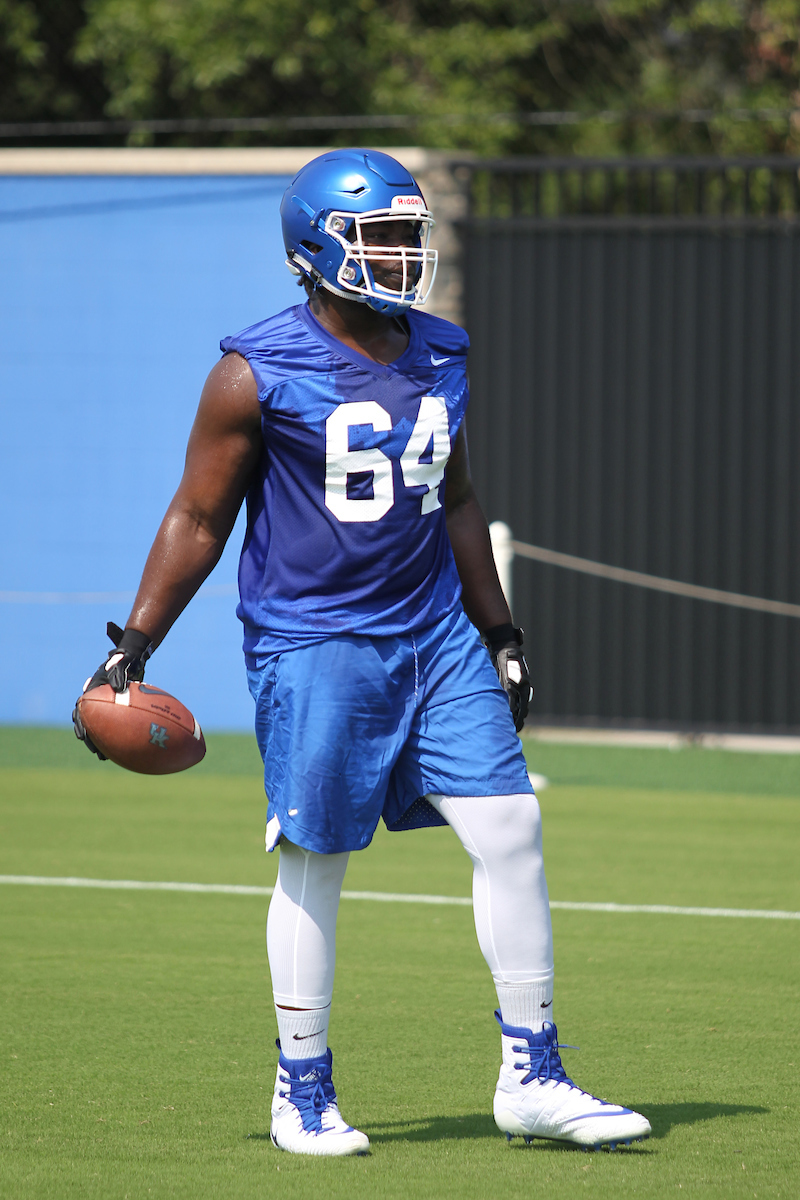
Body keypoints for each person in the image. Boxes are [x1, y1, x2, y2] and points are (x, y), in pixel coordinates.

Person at [73, 149, 651, 1157]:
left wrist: (500, 631)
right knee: (318, 857)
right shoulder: (252, 369)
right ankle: (300, 1091)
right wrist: (134, 647)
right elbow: (199, 516)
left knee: (510, 825)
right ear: (316, 247)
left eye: (406, 236)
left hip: (435, 633)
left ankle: (532, 1076)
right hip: (316, 639)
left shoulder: (442, 349)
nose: (401, 256)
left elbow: (455, 498)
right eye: (379, 237)